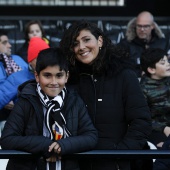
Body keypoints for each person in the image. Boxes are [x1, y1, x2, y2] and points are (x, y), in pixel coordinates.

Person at [60, 20, 152, 170]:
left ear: (100, 41)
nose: (81, 47)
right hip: (79, 163)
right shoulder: (68, 81)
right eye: (75, 43)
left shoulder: (124, 76)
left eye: (86, 40)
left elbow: (141, 122)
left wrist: (119, 156)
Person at [0, 47, 98, 170]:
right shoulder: (26, 101)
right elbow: (7, 139)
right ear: (37, 76)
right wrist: (45, 145)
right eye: (47, 75)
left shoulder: (74, 101)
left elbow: (91, 136)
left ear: (66, 76)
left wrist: (62, 146)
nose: (53, 82)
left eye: (59, 75)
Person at [0, 36, 49, 137]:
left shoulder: (55, 74)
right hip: (26, 132)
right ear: (31, 61)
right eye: (39, 57)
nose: (45, 60)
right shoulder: (17, 78)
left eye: (47, 55)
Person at [118, 11, 170, 78]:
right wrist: (141, 73)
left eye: (146, 26)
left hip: (161, 84)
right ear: (135, 26)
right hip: (134, 82)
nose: (142, 29)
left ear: (152, 26)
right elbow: (121, 68)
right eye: (139, 26)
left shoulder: (163, 43)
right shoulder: (125, 44)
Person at [140, 48, 170, 149]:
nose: (168, 64)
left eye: (167, 61)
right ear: (151, 69)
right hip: (155, 132)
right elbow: (142, 118)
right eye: (163, 62)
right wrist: (163, 128)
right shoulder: (142, 89)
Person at [0, 29, 28, 136]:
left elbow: (30, 78)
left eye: (8, 42)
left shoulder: (17, 59)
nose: (9, 45)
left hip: (22, 109)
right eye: (4, 42)